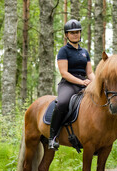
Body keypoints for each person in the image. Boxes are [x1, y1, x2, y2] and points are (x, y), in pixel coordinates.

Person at [48, 19, 96, 150]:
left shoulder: (85, 52)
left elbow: (90, 72)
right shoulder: (63, 51)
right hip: (68, 84)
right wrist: (81, 82)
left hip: (85, 83)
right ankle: (52, 137)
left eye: (77, 32)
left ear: (80, 33)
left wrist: (96, 83)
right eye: (72, 32)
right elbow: (64, 73)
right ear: (66, 35)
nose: (75, 34)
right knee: (63, 102)